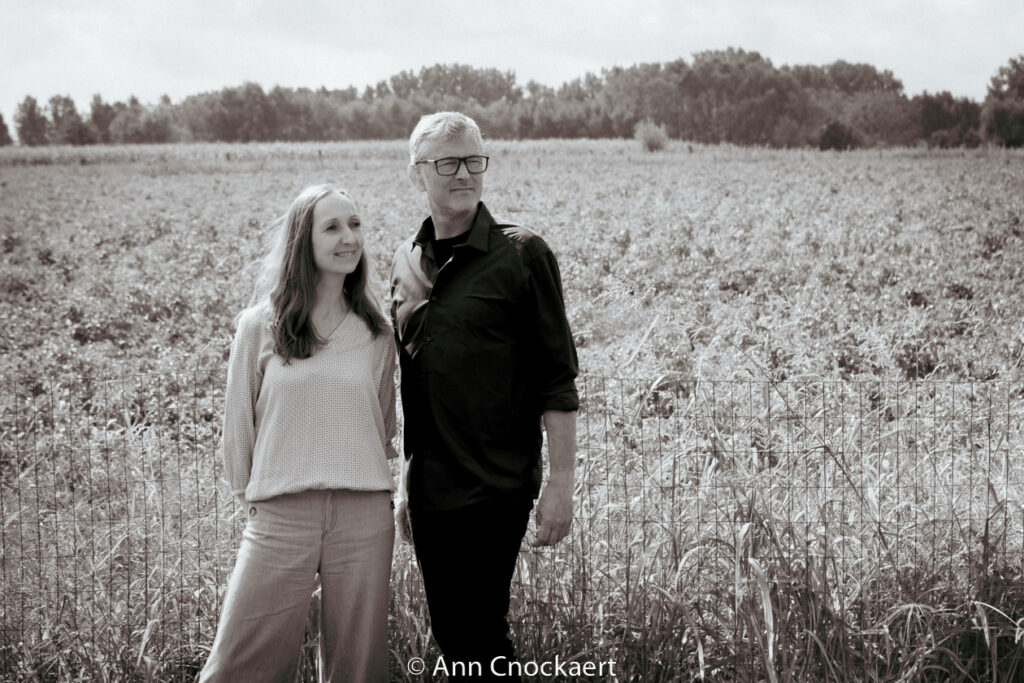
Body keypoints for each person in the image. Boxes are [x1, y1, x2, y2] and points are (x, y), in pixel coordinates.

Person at [390, 111, 579, 679]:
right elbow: (412, 381)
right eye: (449, 162)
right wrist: (405, 481)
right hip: (430, 491)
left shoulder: (522, 255)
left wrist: (561, 483)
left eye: (474, 160)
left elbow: (557, 379)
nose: (465, 174)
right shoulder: (405, 263)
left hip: (496, 484)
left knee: (478, 632)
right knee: (453, 634)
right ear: (417, 173)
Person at [200, 184, 398, 683]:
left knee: (359, 670)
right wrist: (254, 500)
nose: (348, 237)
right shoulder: (258, 327)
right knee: (238, 667)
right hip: (279, 514)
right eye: (331, 227)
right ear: (301, 242)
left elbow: (382, 426)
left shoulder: (378, 334)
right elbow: (237, 429)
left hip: (364, 516)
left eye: (354, 224)